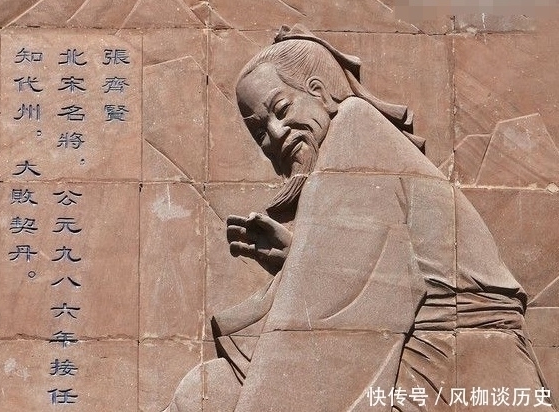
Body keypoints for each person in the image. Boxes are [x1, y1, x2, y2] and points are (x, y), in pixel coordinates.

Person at [170, 25, 556, 412]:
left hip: (458, 370)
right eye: (259, 133)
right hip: (440, 361)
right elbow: (379, 268)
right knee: (209, 389)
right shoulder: (353, 145)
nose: (276, 132)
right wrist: (297, 257)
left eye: (282, 109)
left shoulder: (355, 128)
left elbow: (345, 303)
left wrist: (307, 263)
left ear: (319, 92)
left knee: (208, 392)